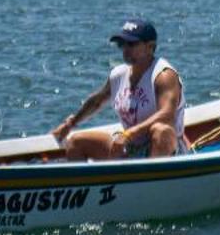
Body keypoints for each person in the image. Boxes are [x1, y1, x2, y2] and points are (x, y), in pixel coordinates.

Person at [50, 18, 185, 160]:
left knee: (160, 130)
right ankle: (88, 182)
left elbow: (167, 114)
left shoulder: (163, 75)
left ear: (150, 47)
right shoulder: (118, 74)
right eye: (122, 44)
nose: (125, 50)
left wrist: (129, 134)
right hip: (131, 147)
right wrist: (70, 124)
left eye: (131, 44)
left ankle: (155, 178)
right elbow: (97, 101)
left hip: (167, 149)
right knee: (75, 142)